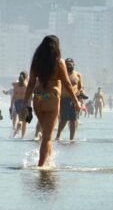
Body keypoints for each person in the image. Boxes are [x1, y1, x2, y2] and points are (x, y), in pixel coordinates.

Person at [20, 36, 81, 167]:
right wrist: (76, 101)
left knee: (47, 135)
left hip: (38, 98)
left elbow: (31, 83)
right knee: (47, 137)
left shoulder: (36, 61)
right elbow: (67, 83)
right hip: (51, 98)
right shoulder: (59, 62)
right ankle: (40, 167)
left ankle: (49, 161)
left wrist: (25, 102)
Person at [55, 58, 83, 142]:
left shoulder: (78, 75)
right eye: (67, 64)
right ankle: (58, 135)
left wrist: (80, 99)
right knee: (64, 119)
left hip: (75, 100)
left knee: (73, 120)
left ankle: (72, 138)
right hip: (64, 99)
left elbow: (80, 87)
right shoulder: (61, 75)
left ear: (73, 64)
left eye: (70, 63)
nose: (69, 65)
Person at [10, 72, 29, 138]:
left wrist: (11, 105)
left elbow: (13, 96)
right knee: (23, 121)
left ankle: (15, 134)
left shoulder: (15, 85)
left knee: (20, 119)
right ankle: (22, 136)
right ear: (26, 78)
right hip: (24, 103)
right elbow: (29, 96)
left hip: (17, 103)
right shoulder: (26, 85)